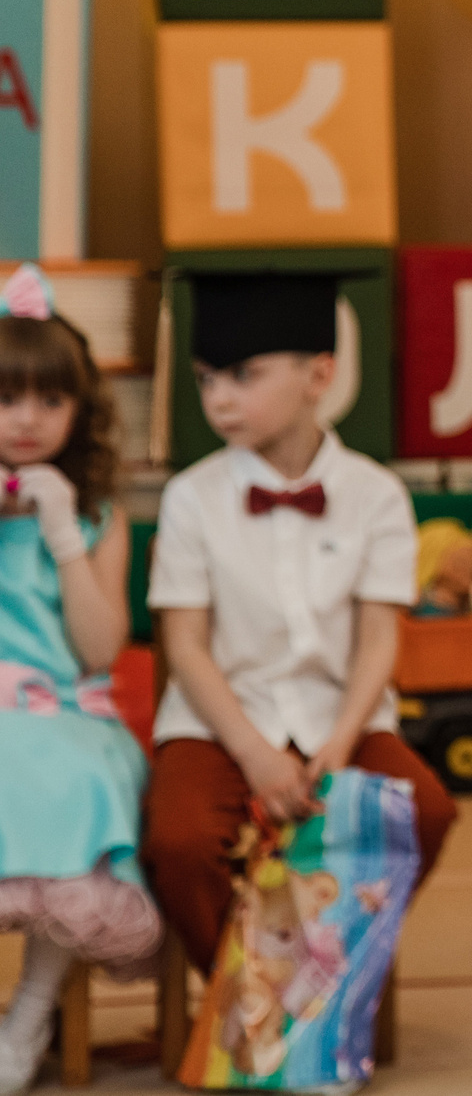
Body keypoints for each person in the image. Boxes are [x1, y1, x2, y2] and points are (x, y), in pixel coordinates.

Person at [141, 269, 459, 973]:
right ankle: (250, 1000)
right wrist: (255, 754)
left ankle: (331, 982)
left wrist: (342, 741)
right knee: (181, 839)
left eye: (244, 375)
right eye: (206, 379)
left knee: (425, 812)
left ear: (320, 374)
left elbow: (380, 635)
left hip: (340, 719)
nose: (220, 398)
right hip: (220, 720)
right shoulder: (192, 498)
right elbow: (185, 647)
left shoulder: (376, 495)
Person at [0, 267, 160, 1095]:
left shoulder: (98, 511)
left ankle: (29, 1015)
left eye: (49, 400)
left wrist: (63, 532)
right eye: (7, 398)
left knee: (79, 779)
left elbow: (98, 650)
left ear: (78, 410)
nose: (27, 419)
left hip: (61, 709)